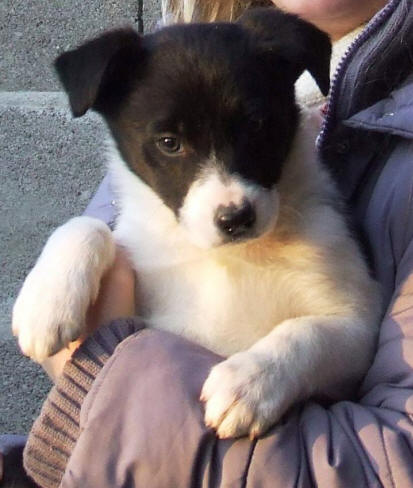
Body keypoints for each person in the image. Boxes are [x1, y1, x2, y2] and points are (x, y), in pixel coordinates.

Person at [3, 0, 413, 485]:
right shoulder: (130, 221)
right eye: (172, 144)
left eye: (253, 127)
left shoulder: (314, 221)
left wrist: (280, 363)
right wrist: (75, 244)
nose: (230, 198)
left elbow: (351, 330)